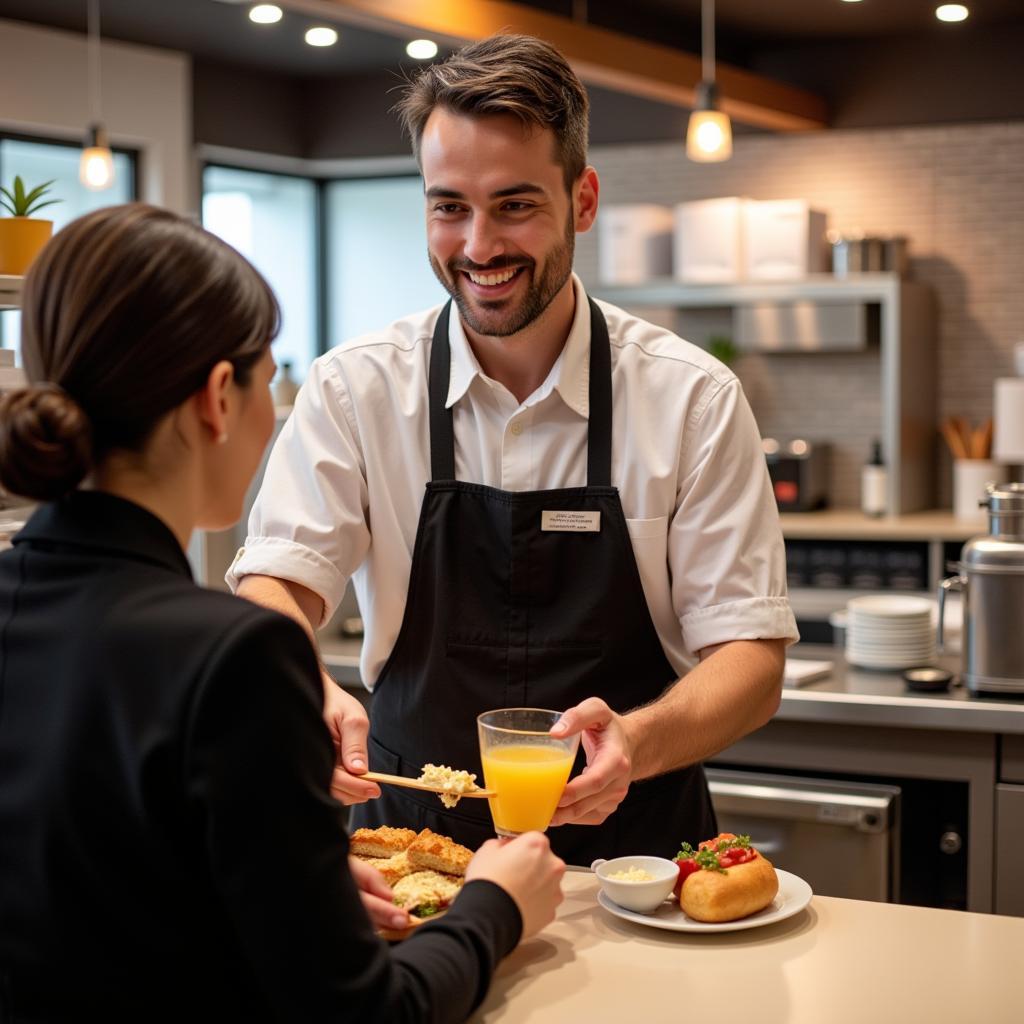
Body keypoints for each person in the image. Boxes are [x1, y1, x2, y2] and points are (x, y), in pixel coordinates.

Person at [229, 35, 799, 864]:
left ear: (584, 199)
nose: (479, 246)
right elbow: (274, 577)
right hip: (410, 853)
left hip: (631, 861)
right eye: (449, 206)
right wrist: (305, 685)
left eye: (516, 205)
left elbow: (751, 660)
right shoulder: (355, 389)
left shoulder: (690, 399)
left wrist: (634, 743)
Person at [0, 204, 564, 1021]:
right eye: (271, 381)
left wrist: (290, 885)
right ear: (218, 398)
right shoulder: (236, 655)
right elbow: (369, 1013)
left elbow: (92, 881)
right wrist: (495, 907)